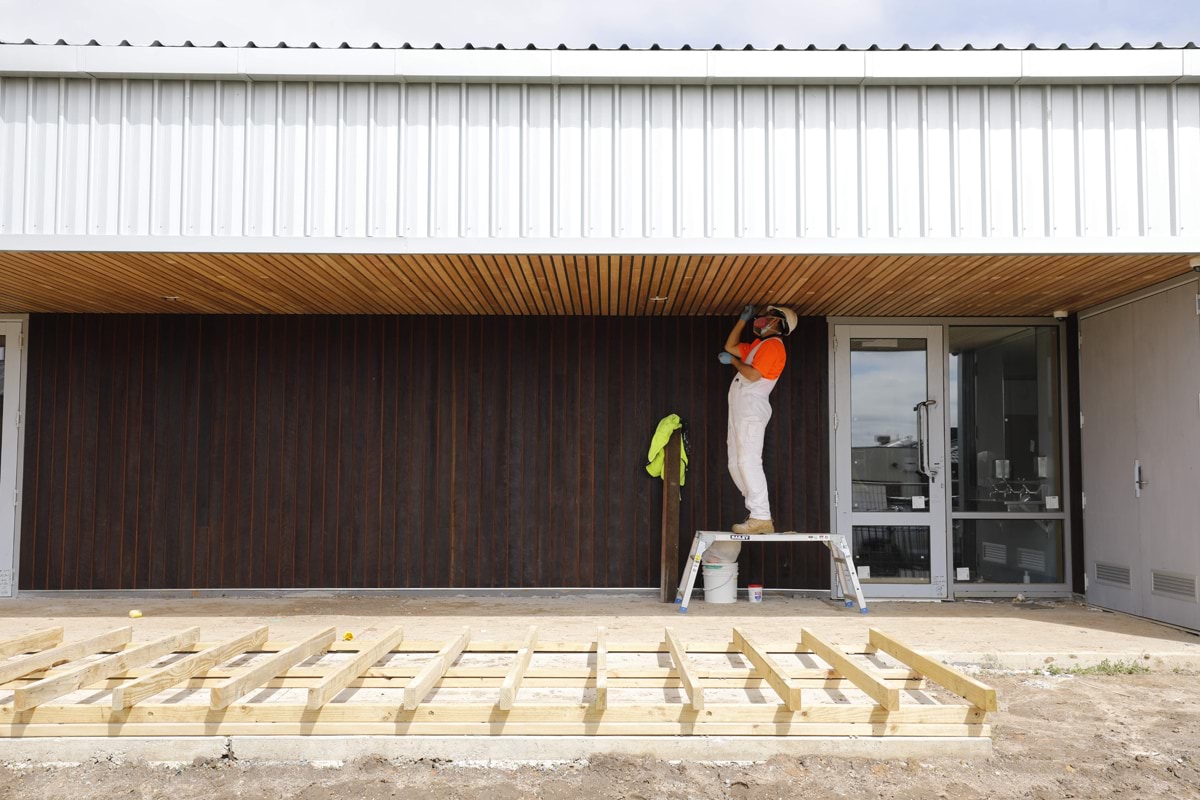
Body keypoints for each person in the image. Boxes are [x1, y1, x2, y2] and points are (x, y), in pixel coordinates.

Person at [717, 304, 797, 537]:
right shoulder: (758, 345)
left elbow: (752, 375)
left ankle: (761, 517)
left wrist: (732, 362)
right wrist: (742, 321)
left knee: (749, 461)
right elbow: (730, 346)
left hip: (752, 407)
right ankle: (756, 511)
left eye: (767, 318)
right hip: (742, 408)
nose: (761, 320)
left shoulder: (773, 346)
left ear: (780, 324)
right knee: (736, 463)